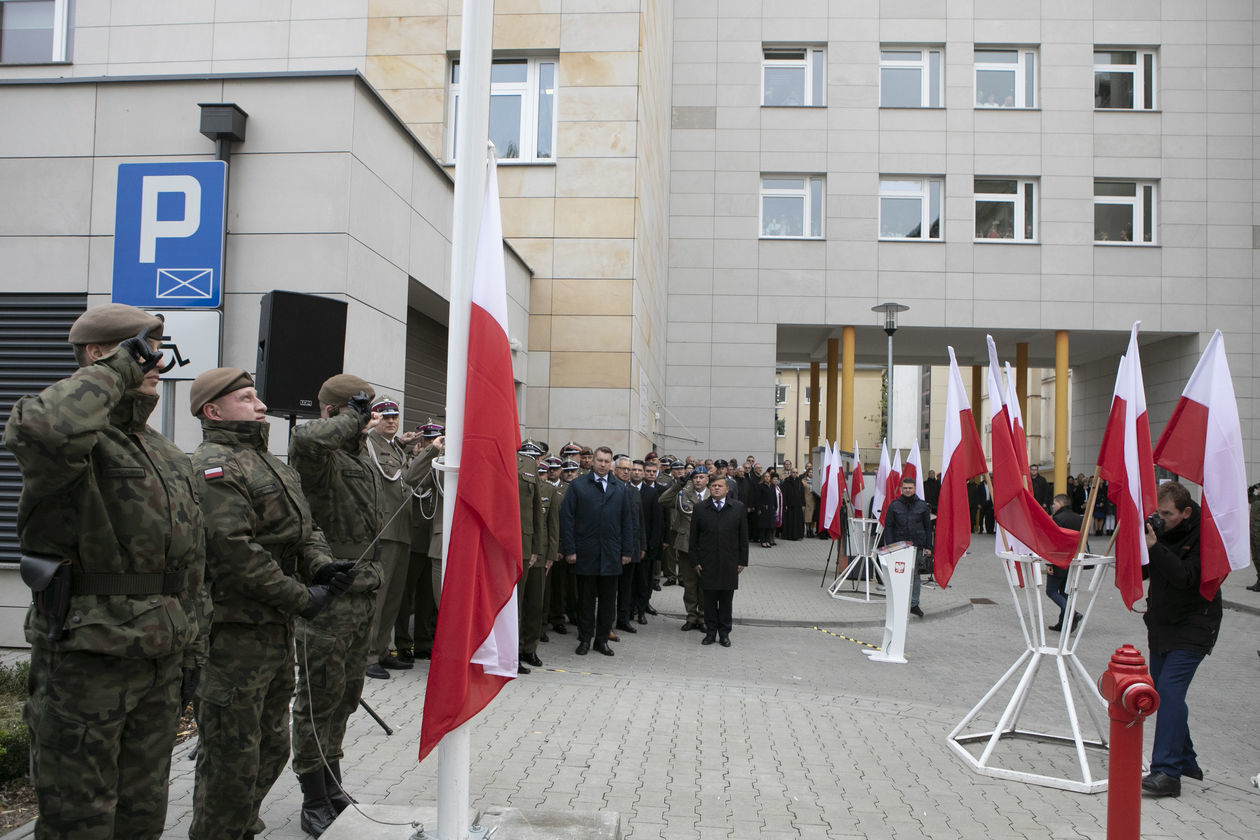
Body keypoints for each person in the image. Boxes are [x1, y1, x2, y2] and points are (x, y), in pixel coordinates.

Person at [3, 304, 207, 840]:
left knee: (142, 816)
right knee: (80, 820)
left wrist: (193, 649)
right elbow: (43, 429)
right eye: (146, 351)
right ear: (100, 354)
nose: (157, 364)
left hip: (160, 659)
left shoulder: (164, 451)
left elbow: (189, 563)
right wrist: (117, 369)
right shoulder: (75, 443)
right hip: (89, 661)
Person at [187, 368, 353, 840]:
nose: (260, 405)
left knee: (272, 745)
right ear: (212, 411)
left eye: (257, 395)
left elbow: (306, 527)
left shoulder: (271, 464)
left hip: (273, 630)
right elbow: (234, 552)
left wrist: (320, 565)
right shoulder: (213, 466)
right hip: (234, 633)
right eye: (245, 398)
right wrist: (302, 597)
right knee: (230, 757)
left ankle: (240, 825)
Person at [288, 374, 384, 836]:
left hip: (361, 591)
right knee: (317, 699)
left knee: (345, 696)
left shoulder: (358, 457)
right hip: (328, 594)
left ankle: (332, 780)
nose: (364, 421)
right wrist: (349, 417)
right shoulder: (316, 451)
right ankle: (313, 793)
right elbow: (307, 435)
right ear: (334, 412)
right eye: (355, 411)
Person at [1140, 481, 1220, 798]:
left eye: (1167, 514)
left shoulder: (1205, 535)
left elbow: (1187, 577)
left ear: (1186, 512)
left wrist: (1155, 547)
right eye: (1157, 512)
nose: (1161, 519)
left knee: (1171, 691)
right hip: (1162, 623)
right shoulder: (1157, 531)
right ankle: (1187, 760)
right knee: (1165, 693)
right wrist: (1138, 546)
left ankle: (1167, 772)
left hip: (1196, 623)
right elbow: (1145, 574)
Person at [364, 397, 426, 680]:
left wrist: (401, 445)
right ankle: (368, 655)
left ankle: (382, 649)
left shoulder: (393, 447)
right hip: (384, 529)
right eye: (384, 416)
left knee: (395, 596)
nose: (391, 420)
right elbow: (398, 477)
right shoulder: (367, 444)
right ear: (374, 418)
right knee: (380, 594)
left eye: (394, 416)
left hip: (402, 528)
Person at [559, 446, 633, 656]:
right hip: (585, 554)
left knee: (608, 602)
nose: (602, 464)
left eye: (606, 461)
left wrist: (627, 551)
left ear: (611, 463)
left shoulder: (619, 489)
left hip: (611, 554)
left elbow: (627, 522)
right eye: (599, 460)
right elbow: (567, 518)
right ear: (592, 462)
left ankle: (602, 641)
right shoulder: (578, 486)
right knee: (585, 601)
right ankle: (584, 639)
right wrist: (570, 549)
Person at [392, 422, 444, 662]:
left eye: (432, 440)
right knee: (406, 594)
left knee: (427, 597)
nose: (426, 444)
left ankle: (424, 641)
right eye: (424, 440)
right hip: (413, 537)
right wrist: (429, 452)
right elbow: (413, 479)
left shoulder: (441, 466)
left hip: (433, 539)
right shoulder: (416, 462)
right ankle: (403, 642)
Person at [689, 475, 749, 647]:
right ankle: (710, 632)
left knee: (725, 601)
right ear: (710, 487)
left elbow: (743, 537)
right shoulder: (700, 508)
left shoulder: (737, 508)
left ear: (727, 489)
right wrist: (695, 561)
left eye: (720, 486)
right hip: (707, 563)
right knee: (708, 601)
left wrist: (742, 561)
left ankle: (724, 633)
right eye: (713, 485)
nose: (716, 488)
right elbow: (693, 538)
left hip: (729, 562)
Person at [659, 465, 710, 631]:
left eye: (701, 477)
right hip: (686, 545)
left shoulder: (713, 495)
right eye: (695, 477)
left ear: (707, 480)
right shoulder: (683, 494)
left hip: (707, 548)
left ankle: (703, 617)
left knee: (704, 584)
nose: (698, 480)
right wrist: (678, 485)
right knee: (689, 584)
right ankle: (691, 617)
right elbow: (663, 501)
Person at [516, 440, 547, 672]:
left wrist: (537, 548)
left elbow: (537, 513)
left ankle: (529, 648)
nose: (530, 461)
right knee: (514, 604)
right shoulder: (507, 467)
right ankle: (512, 652)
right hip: (510, 545)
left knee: (534, 604)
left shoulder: (532, 474)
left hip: (529, 547)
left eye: (534, 458)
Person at [883, 476, 932, 617]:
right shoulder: (894, 505)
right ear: (901, 489)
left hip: (917, 547)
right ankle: (899, 604)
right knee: (899, 576)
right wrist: (891, 548)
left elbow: (928, 528)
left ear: (914, 488)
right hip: (899, 547)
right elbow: (889, 527)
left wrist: (929, 547)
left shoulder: (922, 505)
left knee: (915, 576)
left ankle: (914, 604)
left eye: (910, 488)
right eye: (905, 488)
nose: (908, 490)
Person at [1046, 494, 1083, 632]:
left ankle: (1073, 613)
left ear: (1061, 503)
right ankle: (1062, 623)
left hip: (1059, 559)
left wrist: (1049, 563)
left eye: (1054, 503)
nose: (1052, 506)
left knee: (1051, 591)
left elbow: (1053, 542)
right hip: (1072, 560)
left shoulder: (1058, 518)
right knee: (1065, 592)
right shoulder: (1078, 518)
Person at [780, 462, 806, 540]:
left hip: (798, 506)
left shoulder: (799, 482)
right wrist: (785, 504)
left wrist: (803, 504)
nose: (795, 474)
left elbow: (802, 494)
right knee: (790, 521)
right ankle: (789, 535)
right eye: (793, 472)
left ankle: (797, 535)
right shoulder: (786, 482)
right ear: (791, 473)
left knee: (797, 521)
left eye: (796, 472)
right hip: (789, 506)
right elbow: (784, 494)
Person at [755, 469, 777, 547]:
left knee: (769, 526)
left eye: (768, 476)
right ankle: (763, 541)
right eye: (766, 476)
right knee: (763, 526)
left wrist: (775, 507)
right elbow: (757, 498)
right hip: (763, 509)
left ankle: (768, 540)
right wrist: (759, 509)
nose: (767, 478)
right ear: (763, 477)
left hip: (771, 509)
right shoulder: (760, 486)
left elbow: (774, 497)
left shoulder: (772, 486)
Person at [1248, 483, 1260, 592]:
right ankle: (1259, 581)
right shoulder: (1256, 499)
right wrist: (1251, 489)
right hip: (1253, 534)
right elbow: (1248, 498)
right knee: (1255, 558)